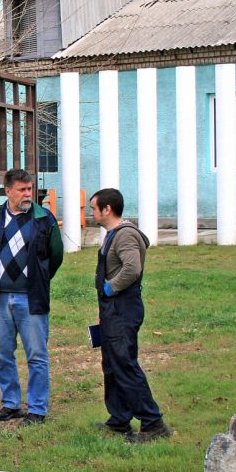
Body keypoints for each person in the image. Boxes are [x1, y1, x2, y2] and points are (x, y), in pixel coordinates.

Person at [90, 188, 171, 442]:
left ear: (107, 209)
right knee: (112, 364)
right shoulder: (113, 235)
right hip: (112, 310)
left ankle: (153, 422)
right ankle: (119, 419)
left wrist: (109, 287)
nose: (91, 213)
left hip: (123, 308)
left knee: (124, 364)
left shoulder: (125, 236)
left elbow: (132, 268)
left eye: (93, 208)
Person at [0, 168, 63, 427]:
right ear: (8, 192)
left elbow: (55, 255)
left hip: (30, 298)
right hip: (0, 298)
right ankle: (11, 404)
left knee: (37, 355)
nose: (28, 194)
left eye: (30, 189)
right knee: (2, 354)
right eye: (22, 190)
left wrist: (38, 278)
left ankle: (37, 409)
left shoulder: (43, 218)